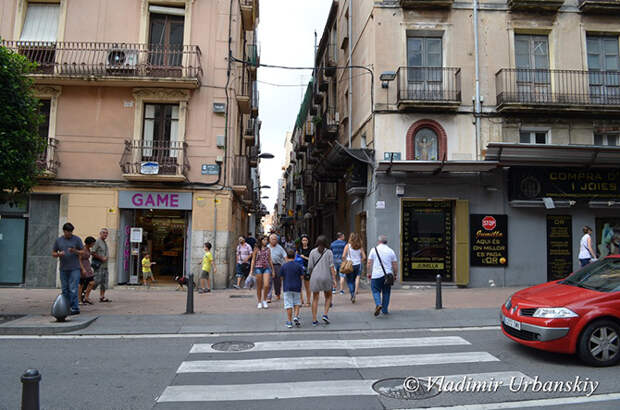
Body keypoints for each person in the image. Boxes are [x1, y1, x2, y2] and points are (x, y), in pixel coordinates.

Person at [52, 222, 84, 315]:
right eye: (68, 232)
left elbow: (82, 252)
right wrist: (58, 254)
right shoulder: (59, 240)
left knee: (73, 288)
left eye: (71, 232)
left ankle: (75, 308)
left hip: (75, 268)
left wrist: (75, 251)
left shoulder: (77, 239)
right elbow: (53, 253)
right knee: (65, 289)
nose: (69, 234)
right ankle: (65, 307)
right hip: (63, 268)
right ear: (64, 231)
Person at [308, 235, 337, 326]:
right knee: (328, 296)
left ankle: (314, 319)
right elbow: (331, 266)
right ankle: (325, 314)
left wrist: (311, 274)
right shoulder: (329, 252)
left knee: (315, 298)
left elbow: (310, 267)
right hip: (326, 276)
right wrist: (334, 279)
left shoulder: (312, 252)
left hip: (315, 277)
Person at [367, 235, 398, 316]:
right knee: (386, 292)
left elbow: (369, 263)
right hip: (388, 275)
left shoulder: (374, 250)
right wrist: (395, 274)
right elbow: (394, 264)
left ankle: (378, 303)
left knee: (375, 290)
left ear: (379, 241)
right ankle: (384, 310)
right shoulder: (391, 251)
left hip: (376, 275)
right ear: (386, 242)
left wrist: (369, 273)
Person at [280, 248, 304, 328]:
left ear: (287, 256)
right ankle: (296, 316)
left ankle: (289, 321)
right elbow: (301, 276)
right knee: (297, 302)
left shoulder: (284, 266)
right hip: (297, 286)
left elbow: (281, 277)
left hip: (287, 287)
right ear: (294, 256)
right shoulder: (298, 266)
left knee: (288, 304)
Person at [250, 236, 274, 309]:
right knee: (259, 286)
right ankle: (259, 301)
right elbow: (253, 260)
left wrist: (273, 270)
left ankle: (264, 300)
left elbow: (270, 260)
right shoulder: (256, 249)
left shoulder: (268, 249)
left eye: (267, 240)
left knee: (266, 285)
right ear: (261, 241)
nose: (265, 241)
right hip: (258, 268)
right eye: (264, 240)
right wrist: (251, 270)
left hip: (266, 268)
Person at [342, 232, 367, 303]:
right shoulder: (360, 246)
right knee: (356, 278)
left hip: (349, 265)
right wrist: (359, 260)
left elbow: (343, 256)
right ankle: (354, 293)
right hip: (358, 265)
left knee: (350, 280)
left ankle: (352, 293)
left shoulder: (347, 246)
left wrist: (345, 261)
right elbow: (364, 257)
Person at [92, 228, 111, 303]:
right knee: (95, 281)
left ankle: (102, 297)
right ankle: (85, 294)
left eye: (106, 233)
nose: (105, 234)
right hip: (99, 265)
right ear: (100, 233)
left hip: (105, 266)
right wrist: (101, 258)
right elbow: (93, 252)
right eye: (104, 233)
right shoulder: (97, 242)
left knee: (104, 282)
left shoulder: (104, 242)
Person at [267, 233, 287, 302]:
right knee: (268, 281)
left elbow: (285, 256)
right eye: (272, 239)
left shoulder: (280, 248)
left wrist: (287, 265)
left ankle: (277, 293)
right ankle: (268, 297)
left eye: (275, 239)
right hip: (268, 266)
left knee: (277, 281)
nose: (274, 240)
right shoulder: (267, 247)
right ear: (269, 240)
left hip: (277, 266)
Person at [78, 236, 96, 305]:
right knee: (81, 284)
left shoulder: (88, 249)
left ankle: (86, 297)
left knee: (92, 282)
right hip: (82, 267)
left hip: (87, 267)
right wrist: (82, 269)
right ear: (89, 243)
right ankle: (79, 299)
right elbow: (79, 259)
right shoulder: (82, 249)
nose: (93, 245)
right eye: (93, 243)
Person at [298, 234, 312, 307]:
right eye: (303, 240)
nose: (304, 242)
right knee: (299, 285)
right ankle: (301, 300)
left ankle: (308, 301)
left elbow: (312, 260)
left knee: (307, 286)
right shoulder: (299, 249)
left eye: (306, 240)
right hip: (299, 268)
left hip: (307, 268)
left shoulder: (310, 250)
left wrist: (304, 257)